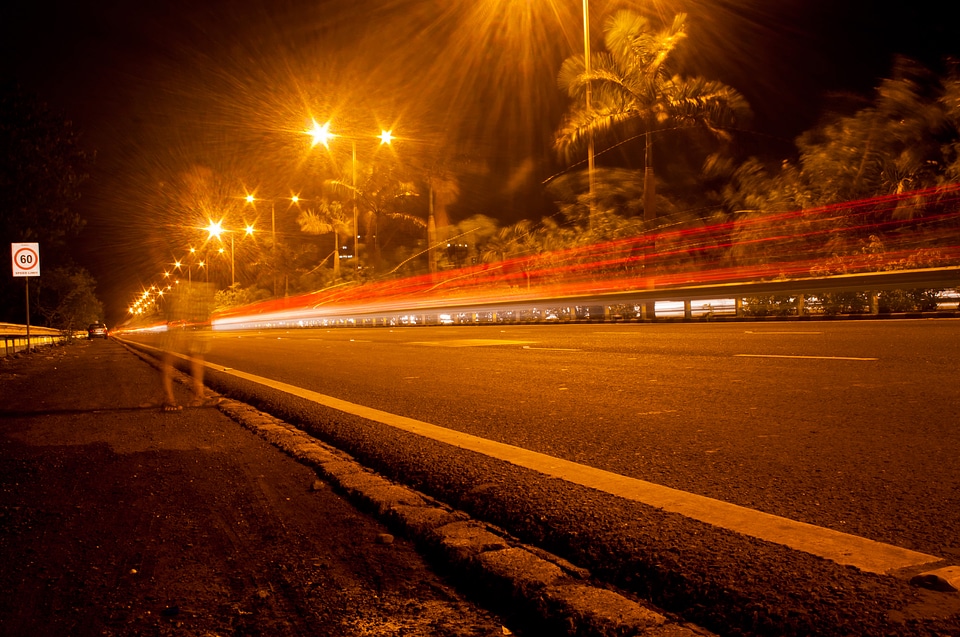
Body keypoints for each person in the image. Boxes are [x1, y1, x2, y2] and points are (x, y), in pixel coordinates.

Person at [160, 281, 219, 411]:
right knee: (169, 357)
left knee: (197, 354)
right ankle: (168, 398)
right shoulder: (178, 287)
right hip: (179, 310)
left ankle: (199, 396)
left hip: (197, 313)